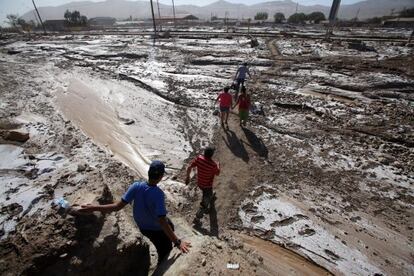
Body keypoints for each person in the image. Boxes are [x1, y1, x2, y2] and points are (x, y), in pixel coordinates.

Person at [79, 160, 190, 265]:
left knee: (169, 223)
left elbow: (117, 206)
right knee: (165, 251)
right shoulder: (158, 194)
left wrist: (94, 207)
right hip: (155, 229)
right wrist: (177, 242)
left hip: (142, 227)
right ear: (161, 177)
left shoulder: (136, 186)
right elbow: (161, 221)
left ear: (148, 173)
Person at [185, 146, 220, 222]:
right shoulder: (213, 165)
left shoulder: (199, 158)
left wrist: (187, 177)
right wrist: (218, 165)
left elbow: (189, 167)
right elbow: (217, 173)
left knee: (207, 194)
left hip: (200, 183)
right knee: (204, 204)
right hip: (207, 186)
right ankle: (197, 218)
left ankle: (210, 197)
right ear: (212, 155)